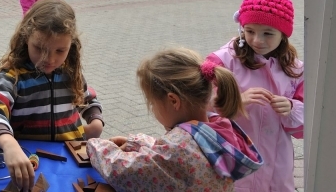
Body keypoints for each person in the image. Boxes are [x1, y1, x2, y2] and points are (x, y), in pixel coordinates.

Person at [88, 48, 264, 192]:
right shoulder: (217, 128)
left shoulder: (180, 147)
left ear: (173, 100)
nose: (153, 111)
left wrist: (98, 146)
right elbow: (171, 156)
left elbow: (121, 171)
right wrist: (137, 142)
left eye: (152, 104)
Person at [0, 0, 103, 191]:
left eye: (60, 50)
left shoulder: (71, 72)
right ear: (26, 38)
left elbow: (88, 99)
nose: (50, 59)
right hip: (27, 161)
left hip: (70, 163)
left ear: (71, 45)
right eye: (39, 48)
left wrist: (95, 120)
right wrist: (8, 143)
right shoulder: (12, 75)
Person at [205, 0, 303, 192]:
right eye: (249, 31)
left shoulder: (296, 70)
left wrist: (292, 108)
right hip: (235, 159)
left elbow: (305, 128)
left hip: (277, 164)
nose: (258, 40)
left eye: (268, 33)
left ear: (284, 34)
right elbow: (201, 108)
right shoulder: (222, 62)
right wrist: (235, 101)